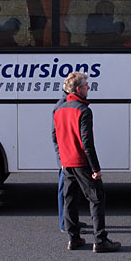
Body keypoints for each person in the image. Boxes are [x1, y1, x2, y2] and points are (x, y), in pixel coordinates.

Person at [52, 72, 121, 253]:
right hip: (81, 162)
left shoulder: (58, 110)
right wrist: (95, 168)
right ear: (78, 89)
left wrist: (62, 158)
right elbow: (87, 143)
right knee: (97, 198)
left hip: (67, 163)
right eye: (86, 85)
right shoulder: (83, 111)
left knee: (70, 200)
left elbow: (55, 137)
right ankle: (100, 240)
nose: (89, 88)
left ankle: (73, 238)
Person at [52, 90, 87, 233]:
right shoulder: (62, 106)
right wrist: (60, 157)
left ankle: (72, 220)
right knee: (65, 191)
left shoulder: (65, 103)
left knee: (71, 191)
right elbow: (55, 135)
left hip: (67, 155)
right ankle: (65, 224)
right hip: (66, 157)